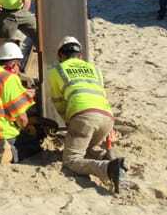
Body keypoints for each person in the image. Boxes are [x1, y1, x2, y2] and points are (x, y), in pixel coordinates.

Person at [48, 36, 128, 193]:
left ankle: (108, 168)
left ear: (60, 55)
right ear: (80, 56)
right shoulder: (95, 70)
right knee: (90, 148)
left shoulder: (57, 70)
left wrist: (70, 122)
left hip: (83, 116)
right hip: (107, 117)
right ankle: (115, 162)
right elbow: (101, 94)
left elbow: (59, 103)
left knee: (71, 160)